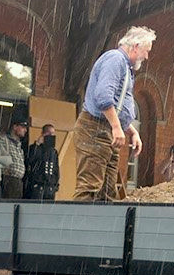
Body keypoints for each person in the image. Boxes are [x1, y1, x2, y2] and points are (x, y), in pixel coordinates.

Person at [75, 26, 154, 200]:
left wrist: (130, 130)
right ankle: (82, 226)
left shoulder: (124, 65)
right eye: (146, 51)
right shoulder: (115, 59)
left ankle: (102, 226)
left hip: (105, 129)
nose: (146, 56)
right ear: (135, 46)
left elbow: (118, 104)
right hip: (95, 128)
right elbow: (103, 96)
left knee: (108, 190)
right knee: (90, 187)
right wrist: (117, 127)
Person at [24, 123, 60, 200]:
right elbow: (30, 160)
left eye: (53, 133)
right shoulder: (35, 148)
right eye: (49, 133)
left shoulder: (54, 152)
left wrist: (56, 186)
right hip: (38, 186)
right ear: (43, 134)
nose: (51, 135)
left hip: (50, 187)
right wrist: (37, 143)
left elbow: (56, 169)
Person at [0, 114, 28, 199]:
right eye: (23, 127)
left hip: (18, 181)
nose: (25, 130)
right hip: (8, 179)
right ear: (15, 127)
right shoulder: (3, 140)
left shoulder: (19, 146)